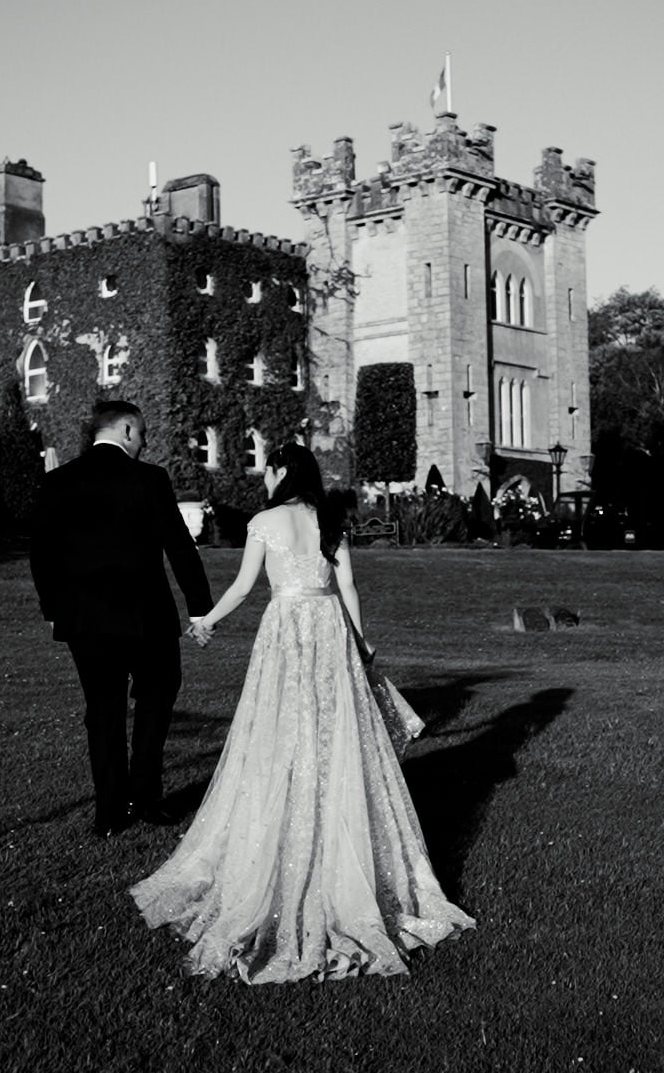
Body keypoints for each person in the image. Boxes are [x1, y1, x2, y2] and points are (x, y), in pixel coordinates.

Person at [130, 444, 474, 983]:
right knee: (334, 734)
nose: (264, 478)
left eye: (267, 469)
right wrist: (361, 645)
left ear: (282, 471)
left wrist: (206, 621)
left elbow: (245, 586)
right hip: (329, 626)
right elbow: (348, 586)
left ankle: (286, 826)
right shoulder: (329, 520)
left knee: (280, 730)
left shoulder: (266, 520)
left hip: (288, 630)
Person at [31, 400, 213, 839]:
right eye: (144, 434)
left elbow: (41, 555)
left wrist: (54, 610)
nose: (145, 442)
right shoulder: (149, 479)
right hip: (146, 616)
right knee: (157, 698)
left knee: (103, 711)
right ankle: (146, 797)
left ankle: (110, 811)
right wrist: (200, 607)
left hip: (85, 622)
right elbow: (179, 545)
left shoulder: (57, 482)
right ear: (128, 430)